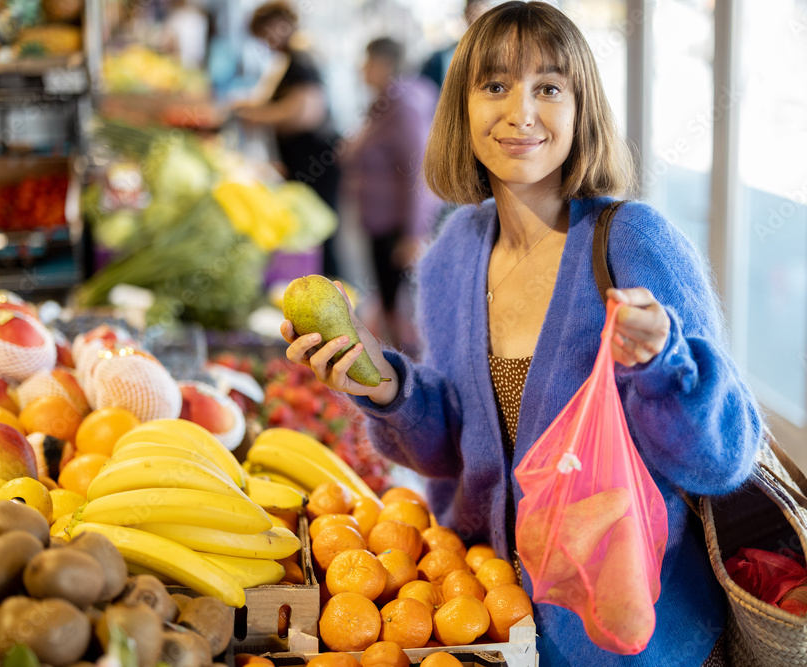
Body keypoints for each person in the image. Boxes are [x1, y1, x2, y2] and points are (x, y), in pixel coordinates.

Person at [282, 3, 763, 665]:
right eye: (496, 85)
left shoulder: (632, 240)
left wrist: (661, 363)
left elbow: (722, 458)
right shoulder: (455, 251)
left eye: (549, 87)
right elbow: (454, 444)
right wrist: (387, 385)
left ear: (580, 106)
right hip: (482, 621)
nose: (522, 111)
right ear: (463, 106)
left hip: (624, 640)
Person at [341, 37, 440, 349]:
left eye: (366, 62)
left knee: (401, 309)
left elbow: (417, 171)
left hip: (397, 227)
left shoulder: (404, 106)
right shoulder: (384, 102)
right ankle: (396, 368)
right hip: (381, 222)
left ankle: (403, 377)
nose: (361, 70)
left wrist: (413, 235)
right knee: (388, 303)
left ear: (383, 65)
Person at [236, 1, 342, 277]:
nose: (265, 41)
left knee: (320, 237)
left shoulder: (300, 57)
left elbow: (307, 111)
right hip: (302, 159)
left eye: (265, 32)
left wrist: (260, 116)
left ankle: (336, 297)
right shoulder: (288, 58)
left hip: (316, 160)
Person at [421, 0, 497, 91]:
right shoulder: (443, 57)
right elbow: (427, 92)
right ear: (465, 13)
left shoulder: (503, 53)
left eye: (483, 5)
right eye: (474, 5)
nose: (477, 10)